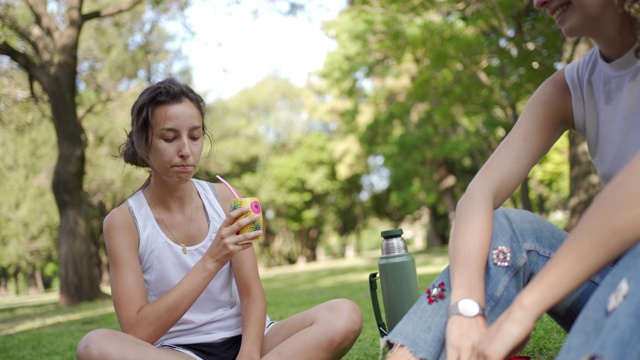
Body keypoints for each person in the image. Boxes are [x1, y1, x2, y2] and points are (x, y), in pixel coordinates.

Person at [383, 0, 640, 359]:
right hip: (615, 285)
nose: (537, 2)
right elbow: (478, 197)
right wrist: (466, 307)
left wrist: (524, 309)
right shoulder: (572, 86)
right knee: (508, 229)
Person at [76, 78, 363, 360]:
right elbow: (137, 331)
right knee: (94, 346)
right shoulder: (122, 222)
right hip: (178, 351)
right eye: (170, 138)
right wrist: (213, 258)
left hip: (252, 342)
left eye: (195, 136)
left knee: (344, 314)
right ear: (142, 143)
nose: (186, 150)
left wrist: (249, 353)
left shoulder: (228, 199)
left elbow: (252, 294)